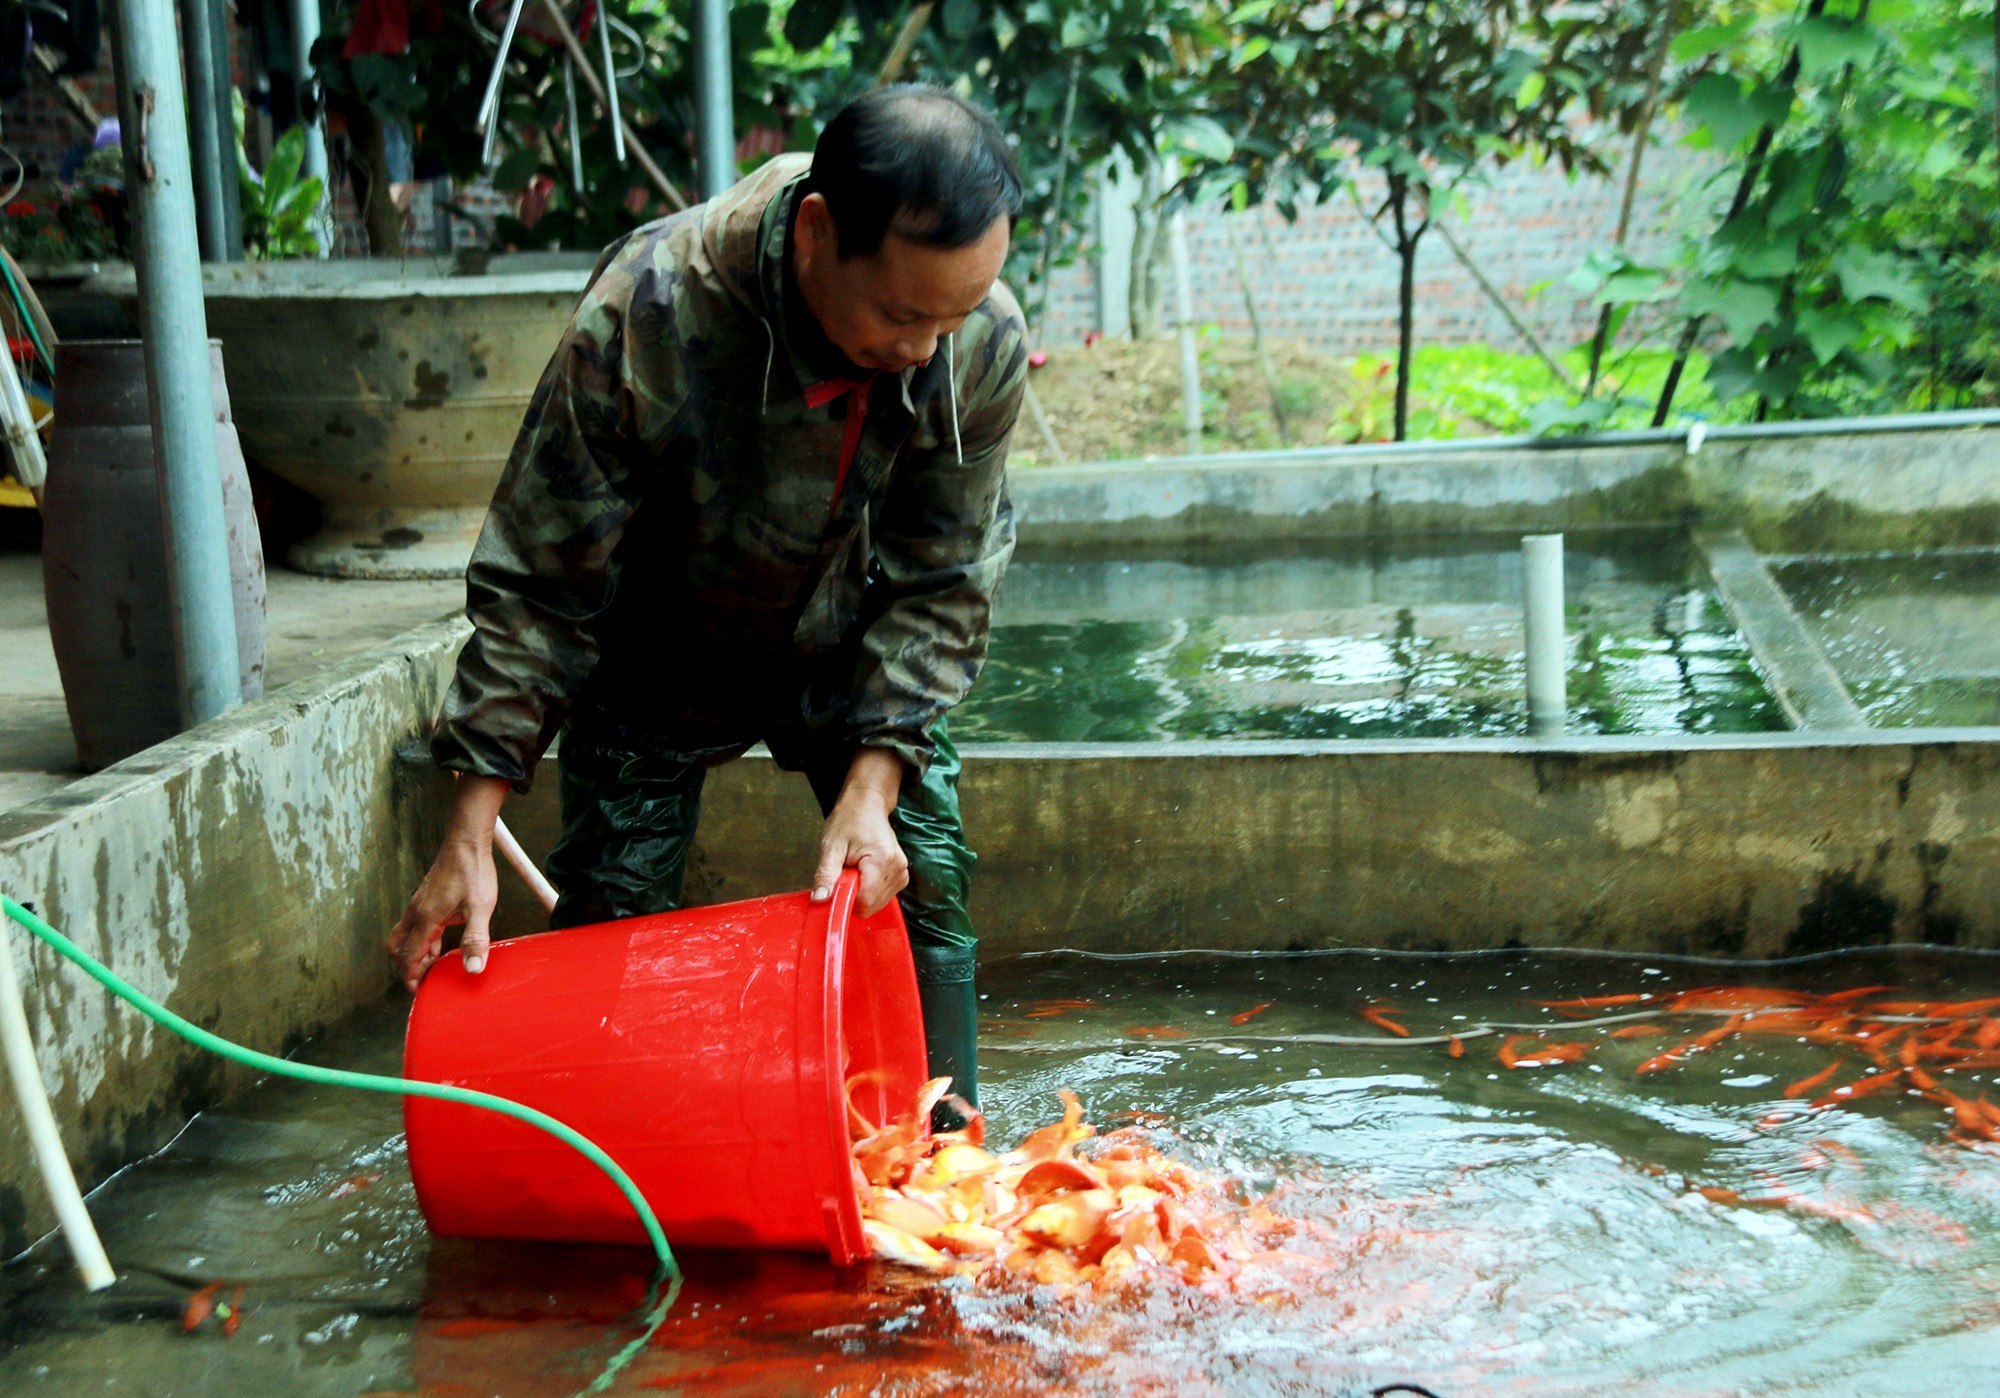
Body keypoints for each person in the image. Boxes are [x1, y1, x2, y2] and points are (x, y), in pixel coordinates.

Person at [386, 85, 1026, 1119]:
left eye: (953, 315)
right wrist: (469, 824)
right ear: (818, 232)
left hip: (847, 644)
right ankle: (618, 1161)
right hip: (658, 653)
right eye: (904, 315)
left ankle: (941, 1162)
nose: (926, 348)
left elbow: (944, 576)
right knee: (609, 918)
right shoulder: (652, 306)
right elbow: (544, 580)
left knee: (923, 882)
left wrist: (872, 785)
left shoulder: (973, 335)